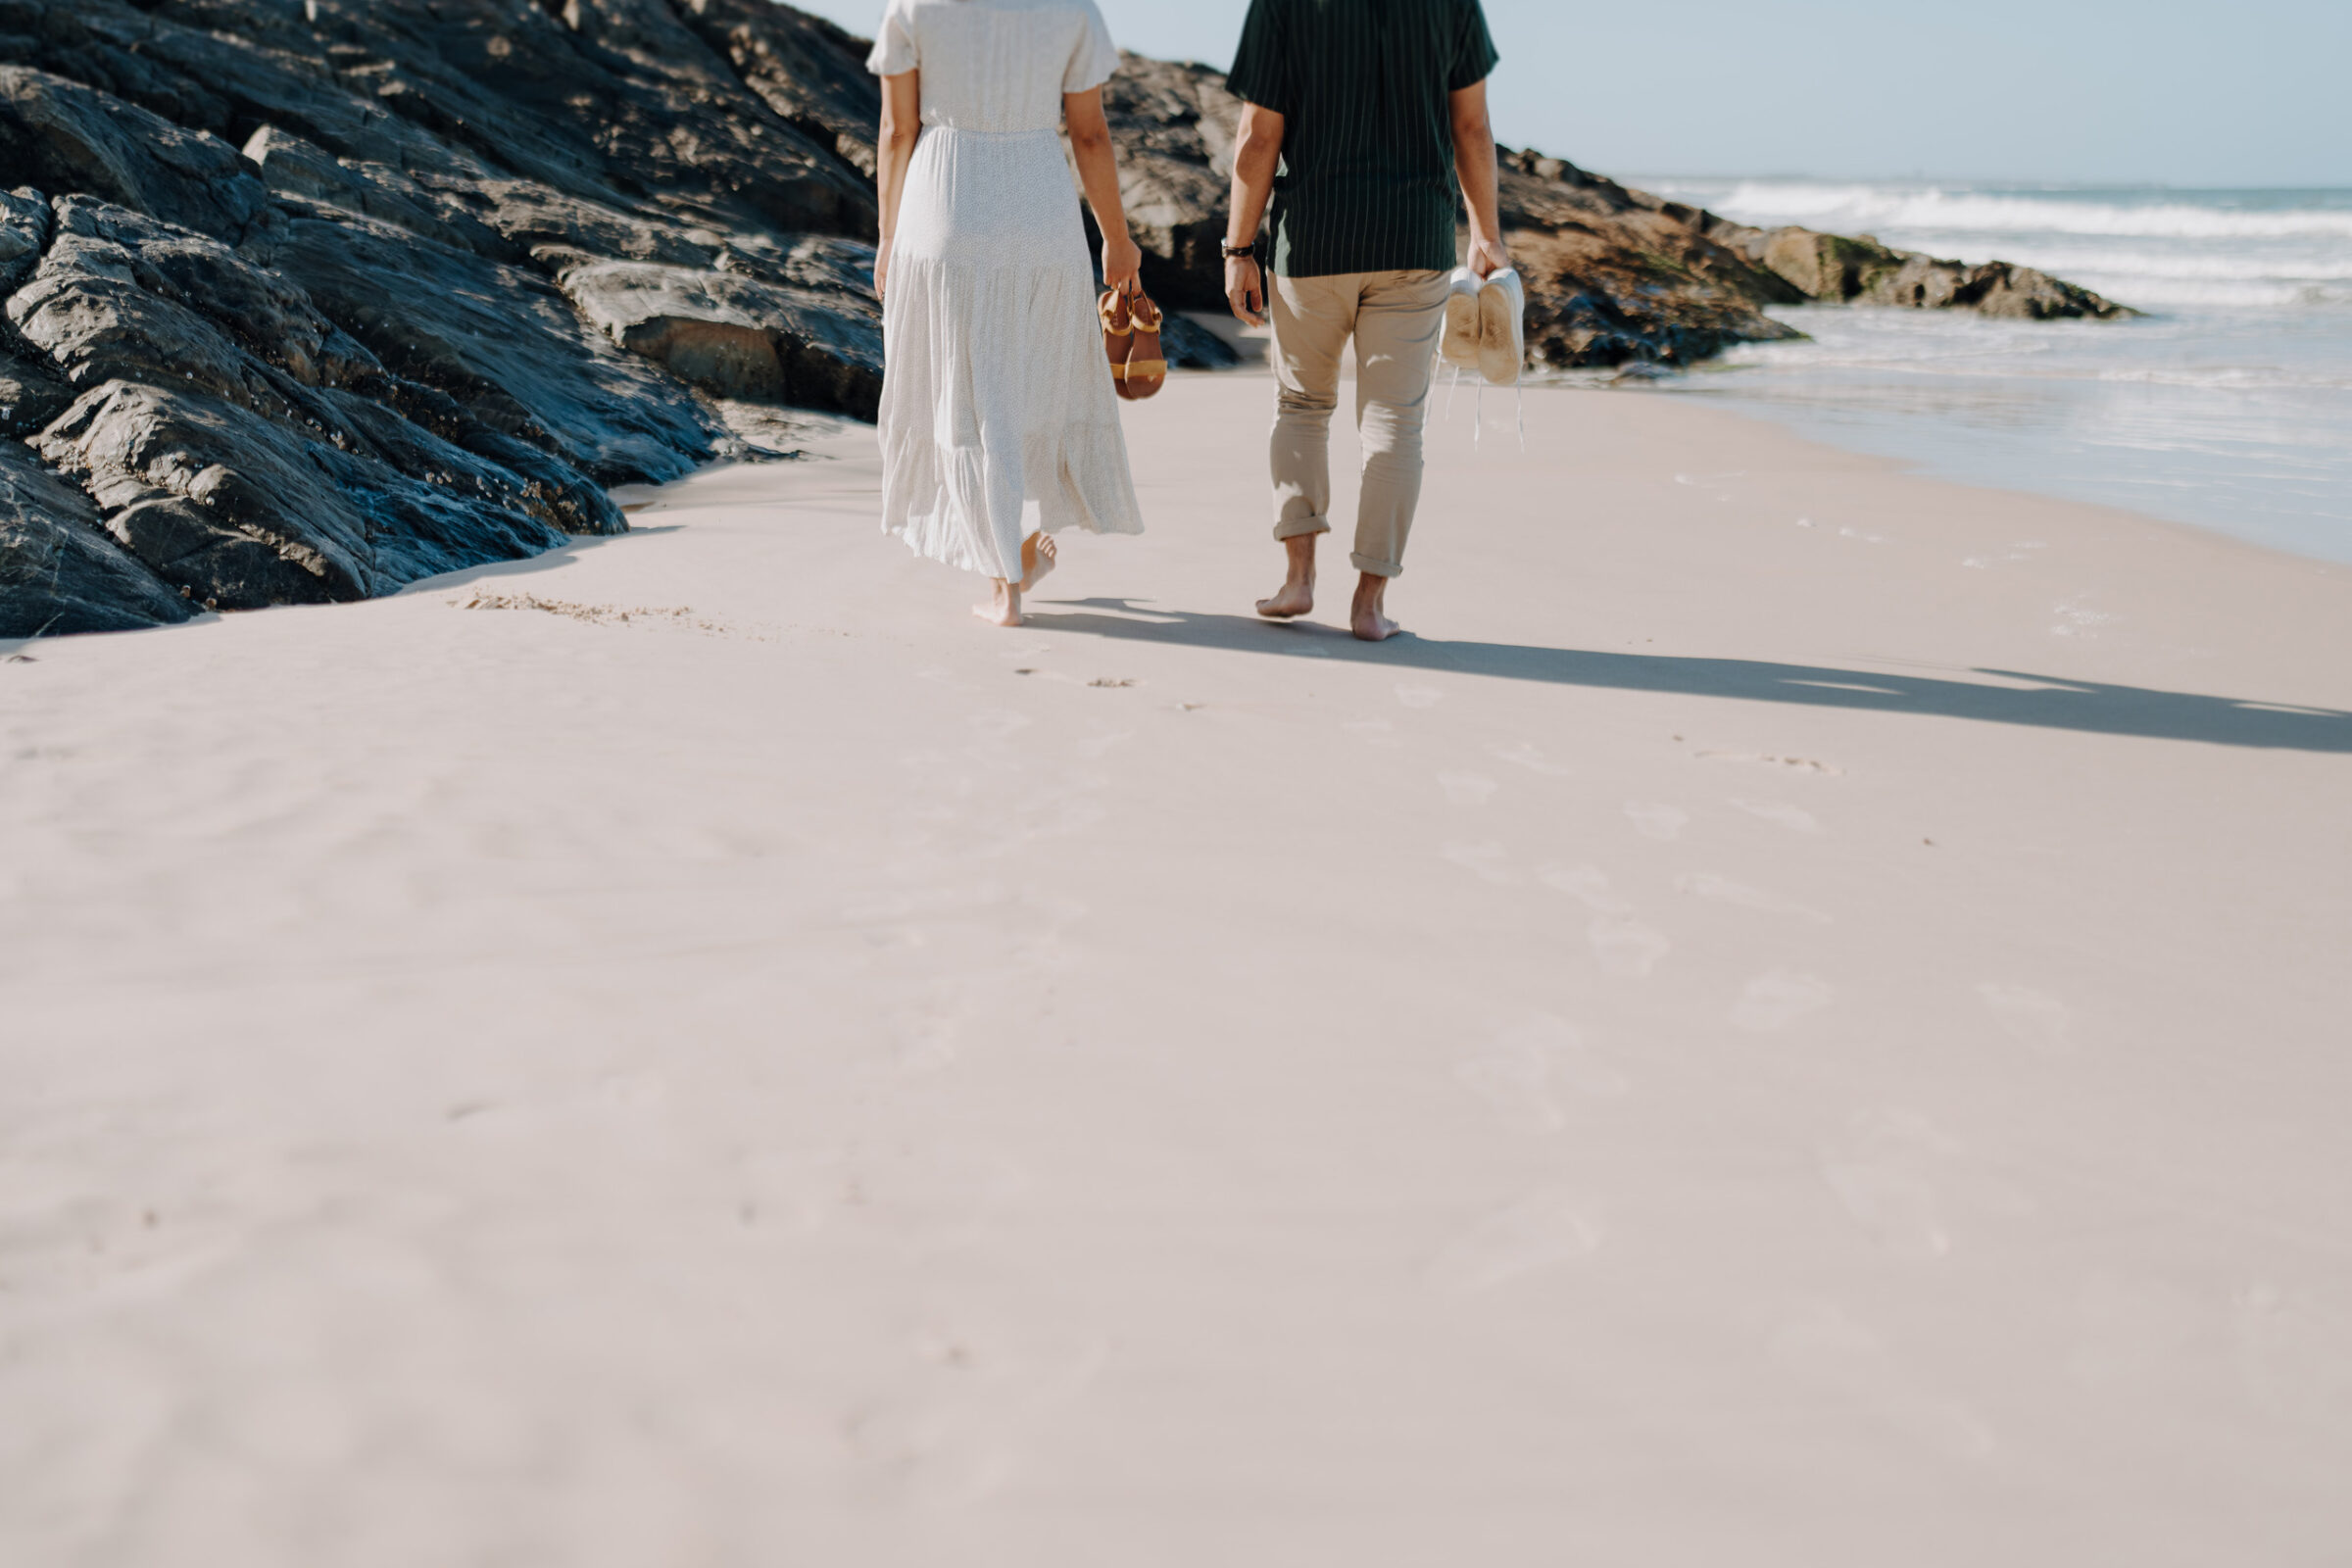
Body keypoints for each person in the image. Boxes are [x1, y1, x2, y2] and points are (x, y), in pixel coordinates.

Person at [1221, 0, 1508, 641]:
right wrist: (1487, 237)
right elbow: (1472, 127)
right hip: (1415, 240)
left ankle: (1298, 580)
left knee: (1301, 405)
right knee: (1395, 421)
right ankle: (1370, 605)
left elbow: (1258, 136)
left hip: (1315, 240)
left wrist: (1239, 249)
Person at [867, 0, 1147, 628]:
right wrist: (1117, 236)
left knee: (968, 399)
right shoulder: (1072, 9)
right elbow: (1090, 133)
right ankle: (1010, 560)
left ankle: (1005, 584)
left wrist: (886, 237)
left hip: (946, 203)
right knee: (1019, 392)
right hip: (1039, 210)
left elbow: (896, 130)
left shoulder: (913, 7)